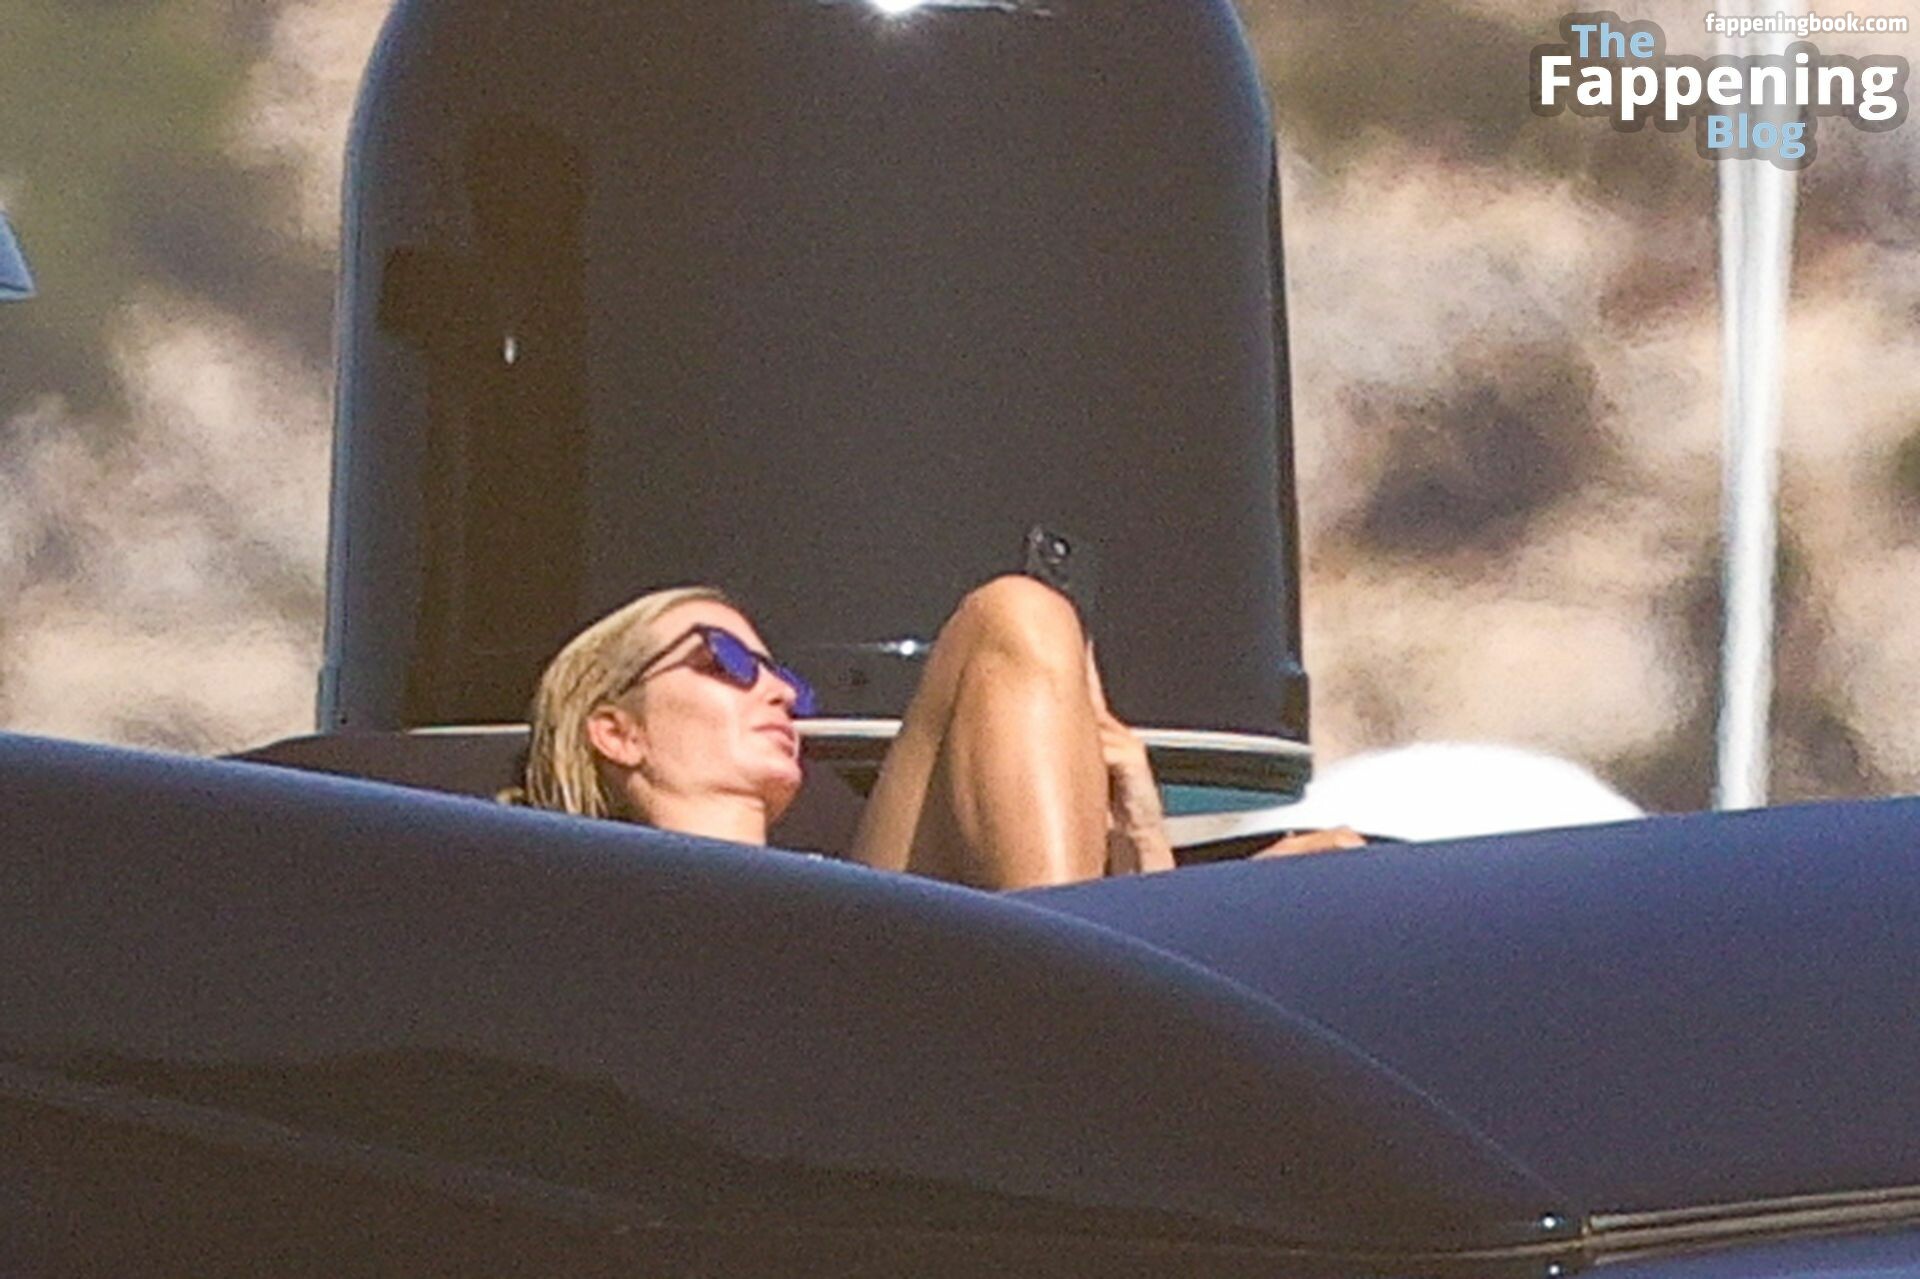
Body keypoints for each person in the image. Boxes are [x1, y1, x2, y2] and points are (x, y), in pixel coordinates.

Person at [519, 577, 1357, 889]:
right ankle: (1095, 976)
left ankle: (1095, 969)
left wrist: (1140, 834)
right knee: (1010, 614)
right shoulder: (586, 910)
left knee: (1335, 862)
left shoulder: (829, 880)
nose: (776, 690)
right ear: (617, 731)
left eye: (786, 678)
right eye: (727, 660)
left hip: (920, 990)